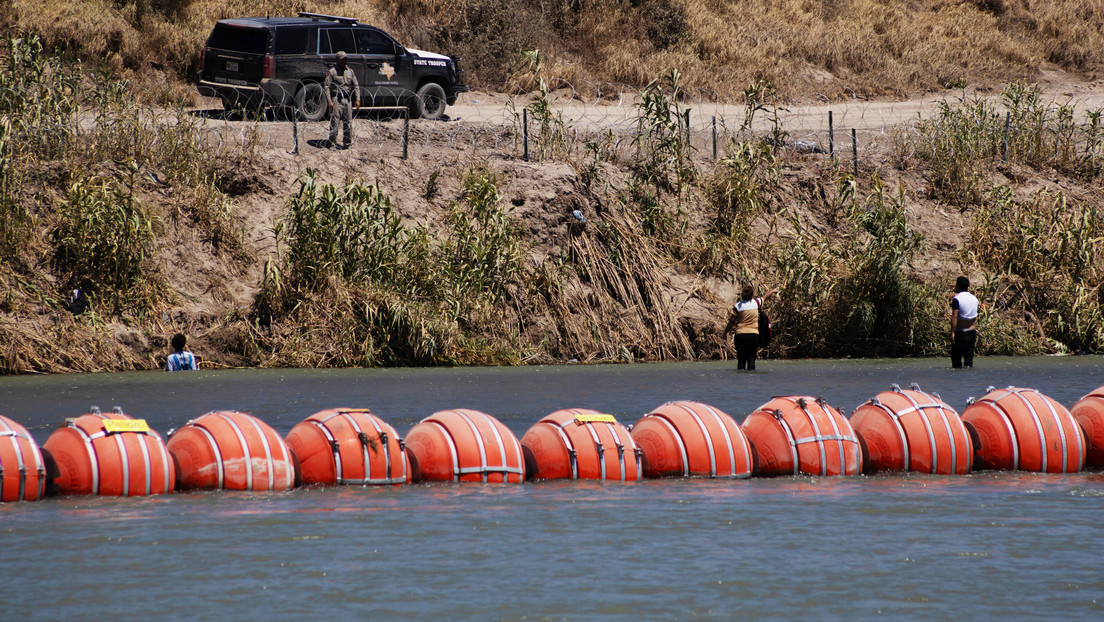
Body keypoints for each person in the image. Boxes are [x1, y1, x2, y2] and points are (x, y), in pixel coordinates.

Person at [723, 285, 778, 371]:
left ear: (742, 295)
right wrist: (773, 290)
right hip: (754, 335)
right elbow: (766, 296)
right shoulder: (756, 302)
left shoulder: (737, 306)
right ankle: (751, 378)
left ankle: (740, 378)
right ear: (752, 295)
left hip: (740, 335)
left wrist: (725, 332)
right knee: (751, 360)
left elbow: (731, 322)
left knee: (741, 360)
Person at [324, 50, 360, 149]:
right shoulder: (332, 72)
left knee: (348, 123)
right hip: (337, 100)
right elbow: (326, 86)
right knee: (335, 123)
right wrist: (329, 101)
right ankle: (332, 144)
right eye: (342, 60)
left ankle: (347, 144)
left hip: (348, 100)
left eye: (345, 59)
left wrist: (357, 99)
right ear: (337, 60)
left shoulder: (350, 71)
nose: (344, 61)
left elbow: (356, 85)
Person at [950, 276, 978, 368]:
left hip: (960, 333)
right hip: (972, 333)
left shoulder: (957, 299)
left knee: (956, 361)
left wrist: (952, 332)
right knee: (969, 361)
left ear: (958, 286)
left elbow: (954, 316)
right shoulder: (974, 299)